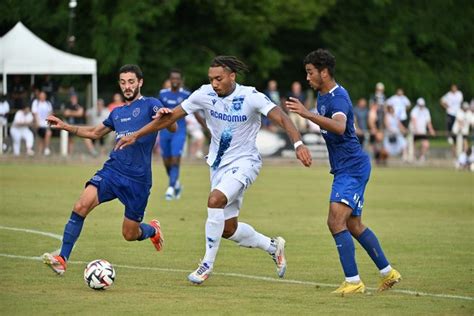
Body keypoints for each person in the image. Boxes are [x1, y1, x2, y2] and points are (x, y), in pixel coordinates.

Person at [115, 56, 312, 285]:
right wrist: (137, 134)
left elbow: (282, 118)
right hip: (218, 165)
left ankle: (206, 265)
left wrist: (298, 144)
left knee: (214, 200)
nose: (214, 83)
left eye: (219, 79)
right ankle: (272, 246)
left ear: (232, 76)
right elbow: (171, 117)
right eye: (211, 79)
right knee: (228, 229)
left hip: (245, 162)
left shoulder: (251, 96)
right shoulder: (204, 94)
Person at [42, 64, 177, 275]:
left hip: (138, 180)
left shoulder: (151, 104)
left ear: (140, 82)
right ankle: (62, 258)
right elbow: (96, 133)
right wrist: (65, 126)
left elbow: (172, 125)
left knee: (129, 234)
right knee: (81, 204)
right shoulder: (117, 113)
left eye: (131, 81)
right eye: (123, 82)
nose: (127, 86)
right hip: (113, 171)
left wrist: (166, 116)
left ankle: (152, 230)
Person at [285, 49, 401, 294]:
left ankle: (353, 281)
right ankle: (388, 272)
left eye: (310, 72)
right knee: (354, 225)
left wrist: (307, 114)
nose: (307, 78)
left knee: (335, 220)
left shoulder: (338, 98)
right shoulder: (323, 96)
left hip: (352, 168)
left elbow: (338, 126)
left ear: (324, 72)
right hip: (345, 168)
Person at [157, 69, 191, 200]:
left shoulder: (186, 94)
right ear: (170, 80)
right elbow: (157, 110)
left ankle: (170, 188)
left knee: (176, 159)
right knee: (167, 161)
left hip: (179, 131)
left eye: (177, 79)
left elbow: (195, 111)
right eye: (173, 78)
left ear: (181, 80)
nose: (175, 81)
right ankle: (176, 183)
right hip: (164, 131)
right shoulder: (163, 94)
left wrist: (206, 127)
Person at [410, 97, 436, 162]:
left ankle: (422, 156)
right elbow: (413, 120)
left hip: (423, 131)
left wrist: (431, 130)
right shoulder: (414, 110)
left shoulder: (426, 110)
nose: (421, 106)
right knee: (412, 144)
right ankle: (413, 157)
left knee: (426, 144)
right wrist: (416, 129)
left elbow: (428, 122)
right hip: (415, 131)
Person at [440, 84, 463, 152]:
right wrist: (446, 106)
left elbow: (460, 103)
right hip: (450, 113)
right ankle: (450, 138)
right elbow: (441, 101)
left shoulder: (459, 94)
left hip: (457, 114)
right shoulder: (449, 94)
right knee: (449, 127)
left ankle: (457, 140)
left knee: (456, 128)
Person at [31, 91, 53, 155]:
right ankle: (40, 153)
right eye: (41, 95)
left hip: (46, 125)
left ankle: (46, 149)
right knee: (40, 139)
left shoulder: (48, 104)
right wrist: (37, 123)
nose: (42, 97)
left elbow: (50, 114)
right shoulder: (36, 103)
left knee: (48, 133)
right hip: (38, 125)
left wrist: (49, 124)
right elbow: (34, 114)